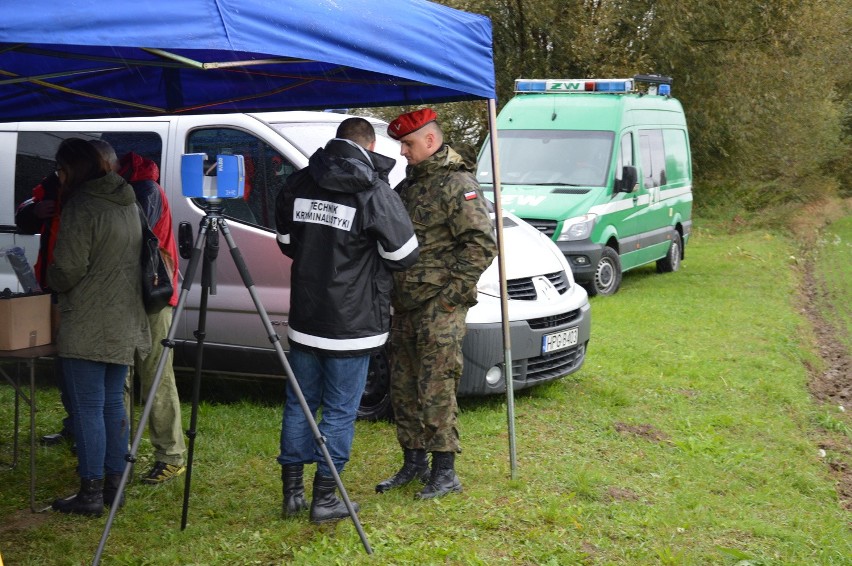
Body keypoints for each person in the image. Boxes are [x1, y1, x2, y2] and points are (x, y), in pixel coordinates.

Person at [274, 117, 418, 523]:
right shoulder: (374, 191)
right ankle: (325, 498)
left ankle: (292, 494)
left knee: (300, 404)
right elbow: (404, 254)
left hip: (306, 317)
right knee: (339, 411)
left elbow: (287, 243)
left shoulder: (299, 182)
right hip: (353, 325)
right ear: (370, 146)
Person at [377, 108, 496, 499]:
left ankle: (445, 470)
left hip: (439, 305)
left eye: (408, 144)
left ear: (430, 141)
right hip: (405, 301)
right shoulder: (409, 184)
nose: (404, 153)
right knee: (403, 385)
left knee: (436, 385)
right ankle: (413, 462)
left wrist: (452, 299)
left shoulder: (456, 183)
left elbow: (481, 244)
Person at [47, 138, 151, 516]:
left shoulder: (83, 205)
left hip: (89, 321)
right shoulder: (128, 201)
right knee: (110, 403)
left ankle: (90, 492)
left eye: (60, 170)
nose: (58, 178)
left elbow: (67, 270)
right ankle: (113, 485)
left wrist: (51, 277)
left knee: (88, 408)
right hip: (125, 317)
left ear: (72, 169)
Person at [89, 140, 187, 484]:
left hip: (151, 296)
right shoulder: (129, 186)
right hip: (125, 295)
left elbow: (130, 235)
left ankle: (171, 455)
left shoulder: (144, 189)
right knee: (122, 378)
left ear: (106, 165)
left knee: (155, 375)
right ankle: (119, 456)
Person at [15, 172, 75, 450]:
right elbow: (24, 215)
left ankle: (93, 433)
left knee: (83, 367)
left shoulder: (91, 191)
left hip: (80, 290)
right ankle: (75, 426)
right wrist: (34, 210)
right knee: (64, 363)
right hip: (53, 286)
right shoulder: (49, 187)